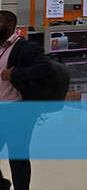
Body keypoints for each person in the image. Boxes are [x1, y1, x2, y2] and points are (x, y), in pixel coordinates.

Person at [0, 10, 51, 190]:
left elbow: (45, 67)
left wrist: (15, 74)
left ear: (10, 25)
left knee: (18, 156)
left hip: (16, 110)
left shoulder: (25, 47)